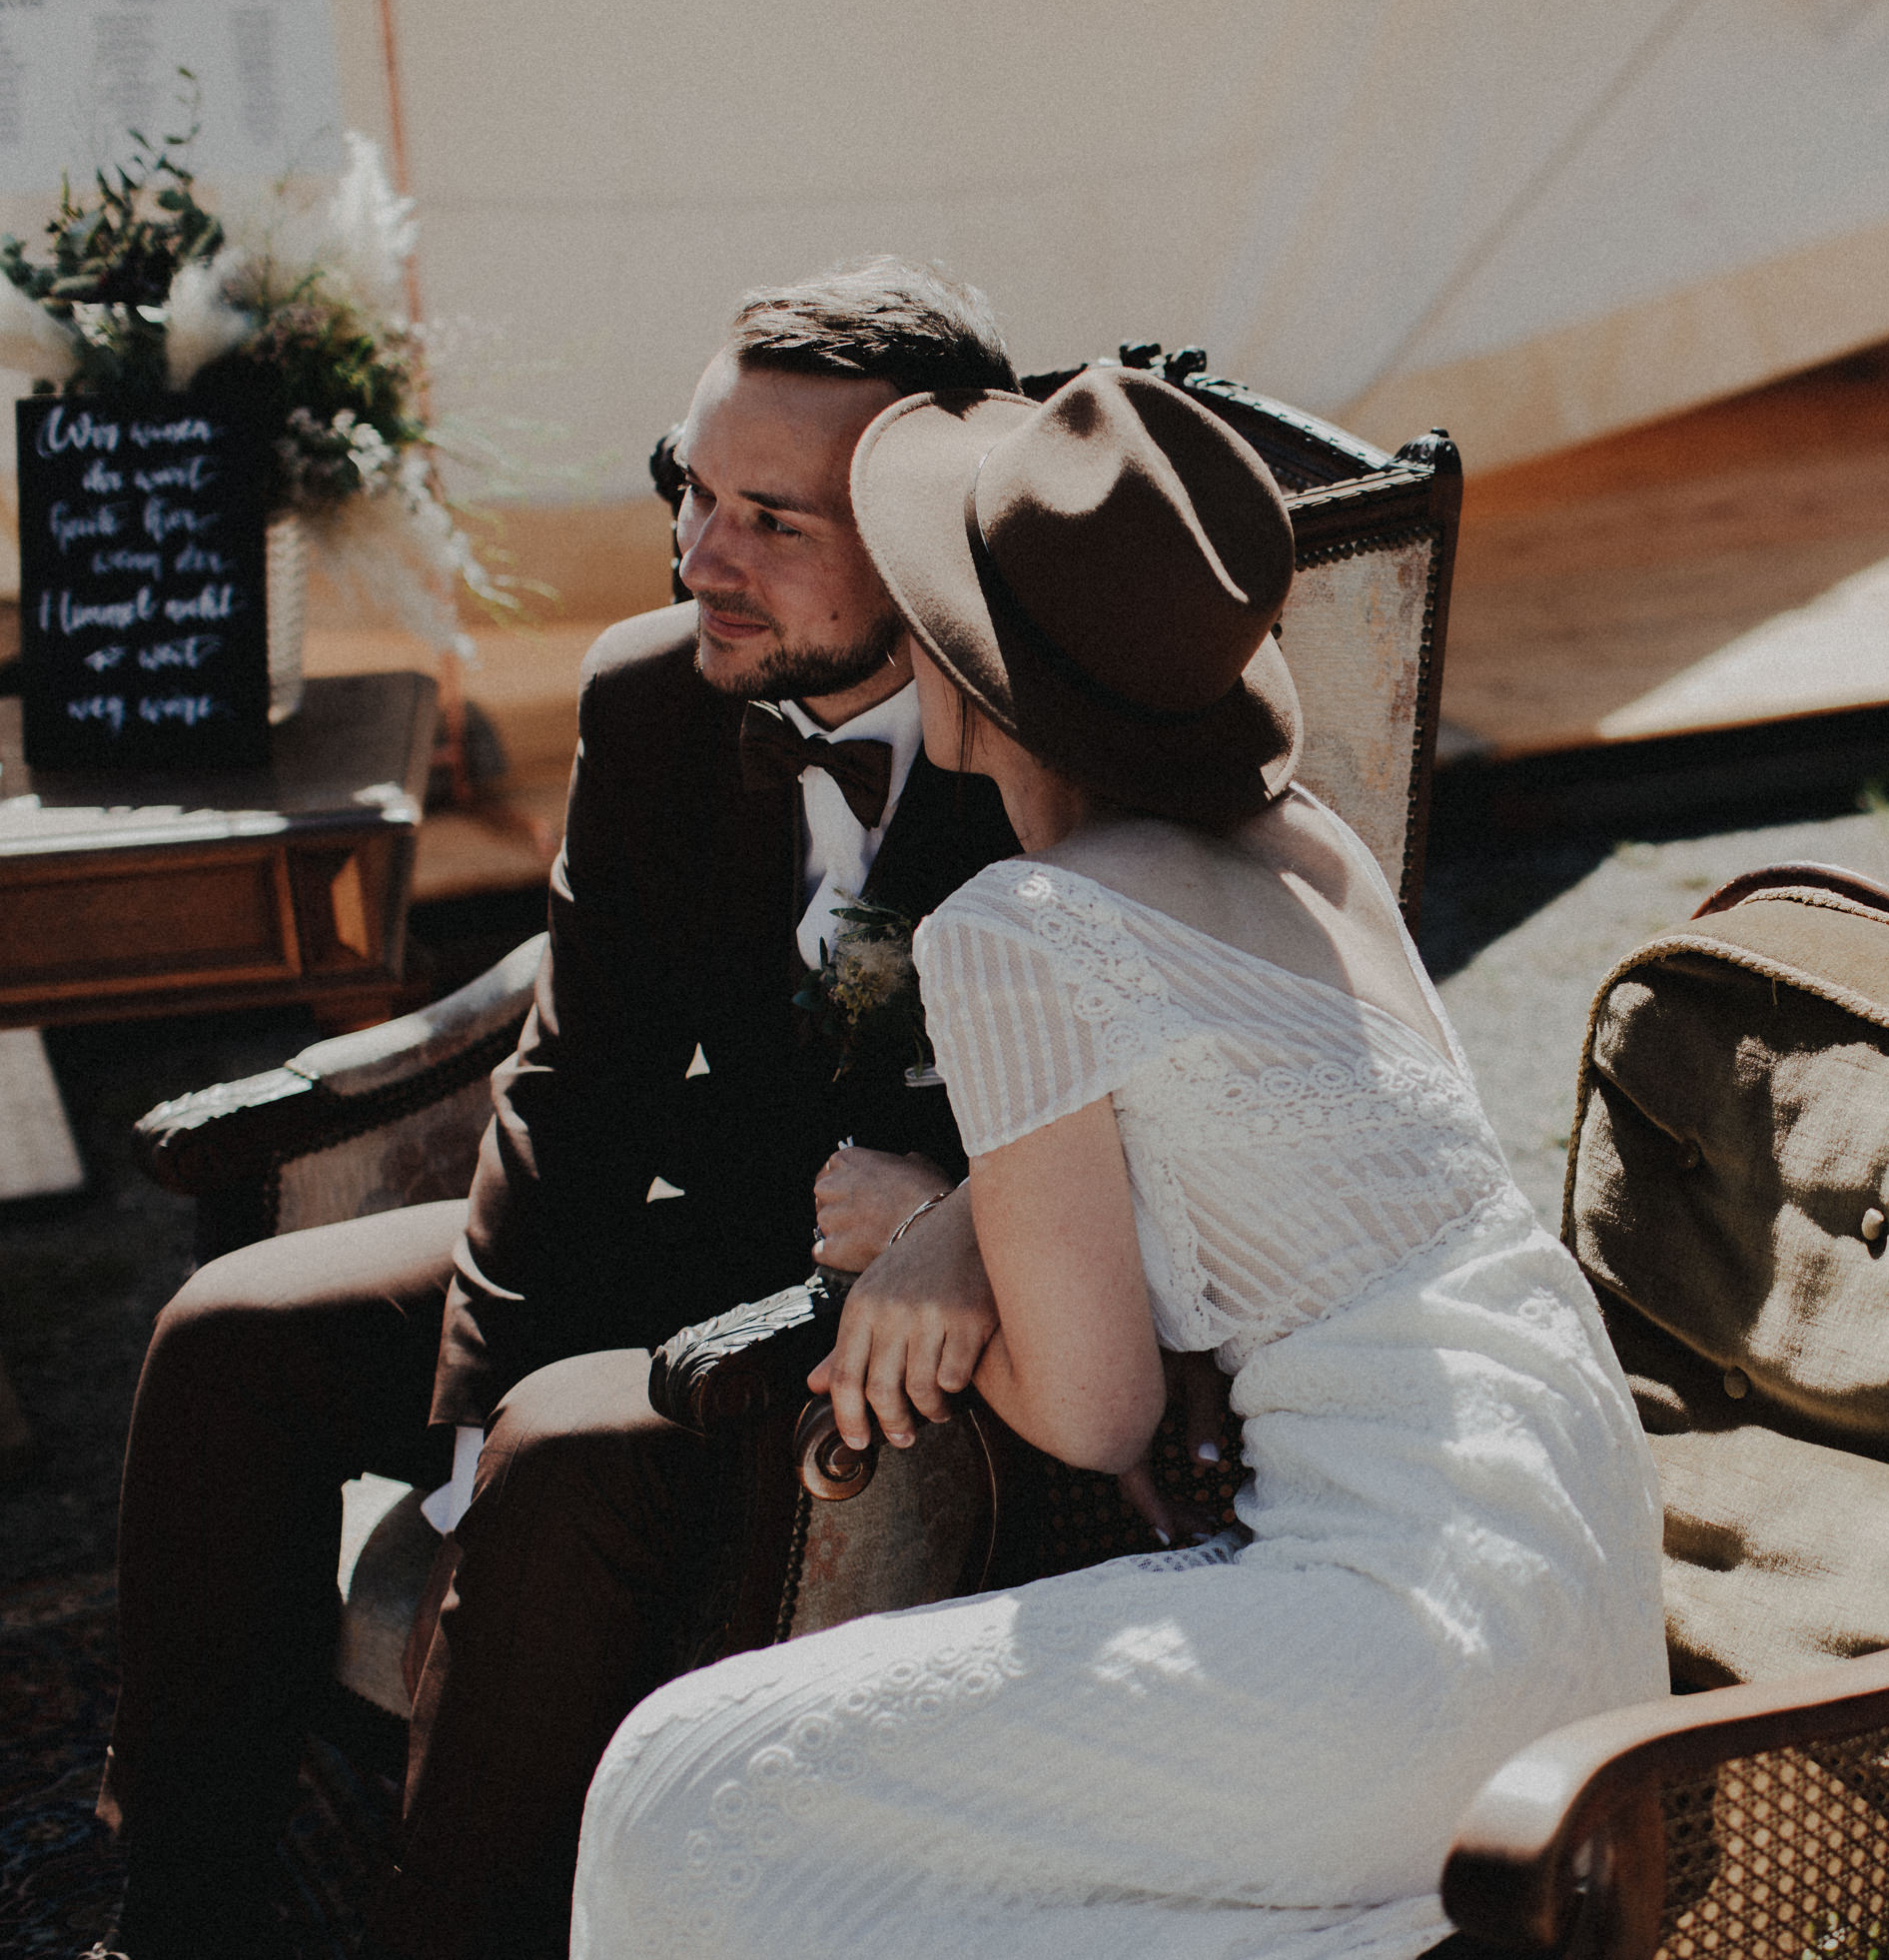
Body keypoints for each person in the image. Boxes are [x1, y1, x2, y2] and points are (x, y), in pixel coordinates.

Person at [566, 369, 1668, 1959]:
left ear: (970, 659)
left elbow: (1095, 1414)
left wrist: (904, 1234)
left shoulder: (1024, 928)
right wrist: (964, 1224)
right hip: (1580, 1613)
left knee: (684, 1784)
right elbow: (1270, 1182)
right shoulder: (1320, 853)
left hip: (1395, 1655)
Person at [101, 259, 1031, 1960]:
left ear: (918, 539)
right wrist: (470, 1396)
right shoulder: (651, 695)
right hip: (718, 1225)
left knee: (573, 1454)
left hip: (938, 1312)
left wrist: (952, 1204)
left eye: (773, 520)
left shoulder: (1054, 736)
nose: (699, 561)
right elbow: (576, 1075)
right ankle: (184, 1907)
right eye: (689, 487)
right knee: (231, 1329)